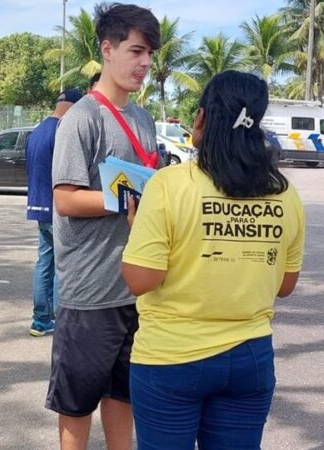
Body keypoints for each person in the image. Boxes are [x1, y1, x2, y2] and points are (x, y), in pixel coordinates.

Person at [121, 70, 305, 450]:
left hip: (170, 359)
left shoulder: (169, 185)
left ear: (201, 119)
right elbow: (285, 286)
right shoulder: (284, 194)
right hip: (249, 357)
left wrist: (138, 230)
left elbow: (141, 280)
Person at [45, 3, 161, 450]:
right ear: (107, 50)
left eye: (150, 53)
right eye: (136, 51)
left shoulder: (145, 119)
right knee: (76, 405)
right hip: (90, 292)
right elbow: (66, 198)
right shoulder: (83, 118)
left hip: (137, 286)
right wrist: (132, 198)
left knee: (124, 395)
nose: (145, 63)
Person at [25, 89, 81, 337]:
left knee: (44, 263)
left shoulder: (37, 130)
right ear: (72, 107)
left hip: (38, 206)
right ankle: (60, 319)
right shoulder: (62, 131)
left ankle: (40, 320)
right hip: (58, 208)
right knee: (61, 265)